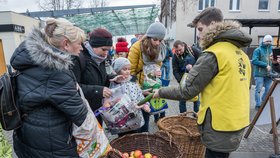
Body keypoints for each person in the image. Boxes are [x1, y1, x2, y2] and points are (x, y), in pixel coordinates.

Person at [153, 7, 252, 158]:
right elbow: (235, 87)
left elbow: (186, 91)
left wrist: (160, 92)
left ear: (212, 24)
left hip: (219, 125)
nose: (198, 35)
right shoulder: (241, 54)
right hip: (237, 121)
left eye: (200, 29)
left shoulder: (213, 54)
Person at [10, 18, 88, 157]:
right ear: (65, 44)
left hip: (28, 137)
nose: (82, 48)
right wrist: (75, 91)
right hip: (53, 145)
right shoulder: (56, 73)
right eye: (79, 43)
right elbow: (80, 115)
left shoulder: (30, 60)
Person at [72, 28, 120, 125]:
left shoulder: (100, 58)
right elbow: (73, 87)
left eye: (108, 50)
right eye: (104, 49)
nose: (106, 53)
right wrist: (98, 90)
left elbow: (99, 78)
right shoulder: (78, 58)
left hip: (97, 109)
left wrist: (112, 79)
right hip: (84, 111)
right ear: (93, 45)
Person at [128, 22, 166, 132]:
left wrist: (157, 72)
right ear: (148, 37)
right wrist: (139, 90)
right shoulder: (137, 48)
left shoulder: (160, 48)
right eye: (155, 40)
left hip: (150, 86)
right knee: (137, 119)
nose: (157, 43)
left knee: (146, 115)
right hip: (138, 89)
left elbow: (158, 65)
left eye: (160, 40)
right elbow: (131, 73)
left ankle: (144, 139)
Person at [110, 57, 150, 136]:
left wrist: (145, 104)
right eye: (124, 69)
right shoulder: (114, 85)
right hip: (123, 120)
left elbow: (139, 95)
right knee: (124, 138)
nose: (128, 71)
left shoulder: (133, 81)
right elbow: (114, 101)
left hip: (136, 117)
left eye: (129, 69)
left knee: (137, 135)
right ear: (117, 70)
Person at [172, 40, 201, 113]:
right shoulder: (175, 56)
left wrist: (193, 67)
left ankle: (197, 116)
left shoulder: (193, 50)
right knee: (182, 100)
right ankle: (183, 116)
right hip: (183, 81)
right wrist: (180, 81)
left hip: (194, 78)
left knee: (196, 100)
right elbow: (175, 70)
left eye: (180, 50)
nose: (178, 52)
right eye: (177, 51)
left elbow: (202, 62)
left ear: (183, 46)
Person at [252, 35, 273, 110]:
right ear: (263, 41)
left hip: (269, 74)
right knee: (258, 90)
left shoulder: (272, 50)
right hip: (259, 74)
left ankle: (263, 102)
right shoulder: (258, 50)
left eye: (270, 41)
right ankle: (258, 104)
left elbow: (274, 61)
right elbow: (254, 61)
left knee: (268, 89)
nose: (269, 42)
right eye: (267, 41)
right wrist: (265, 65)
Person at [153, 44, 173, 122]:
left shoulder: (166, 48)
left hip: (161, 92)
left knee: (162, 102)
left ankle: (162, 116)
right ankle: (156, 118)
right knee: (155, 103)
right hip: (154, 91)